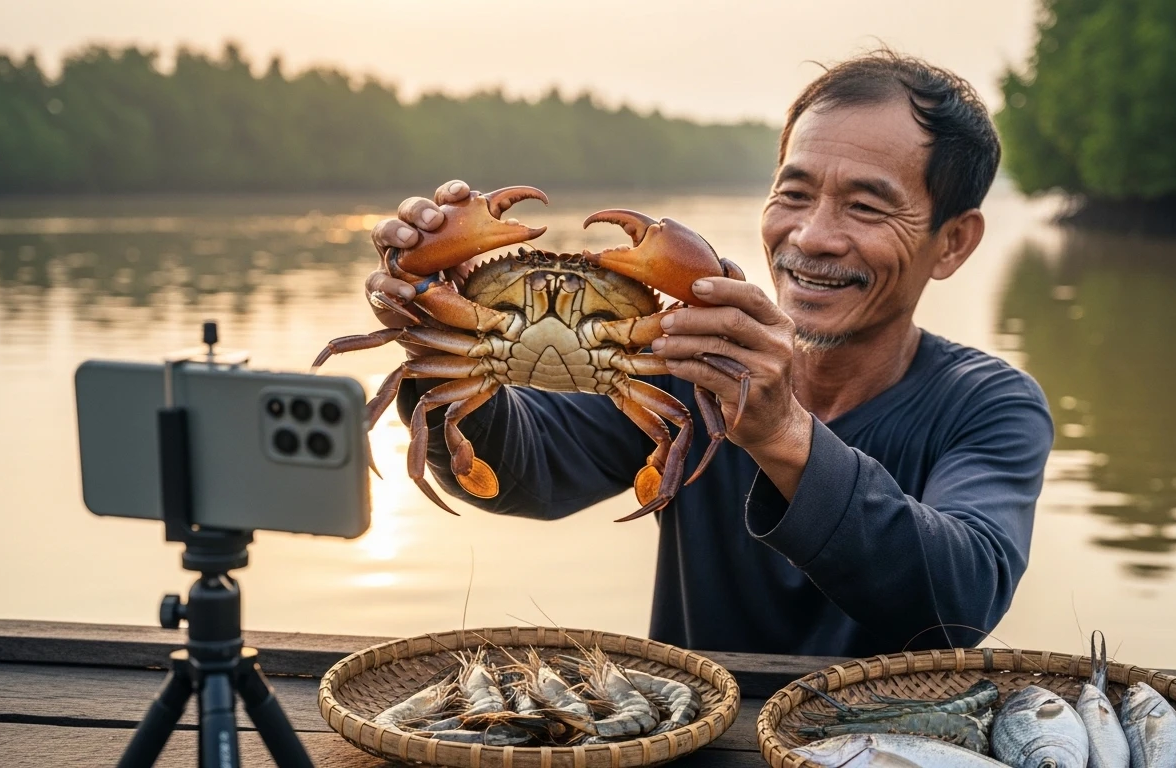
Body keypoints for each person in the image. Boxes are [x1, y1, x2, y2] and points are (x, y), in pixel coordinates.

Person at [361, 51, 1053, 657]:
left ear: (954, 242)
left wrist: (783, 435)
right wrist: (427, 326)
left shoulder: (988, 405)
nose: (811, 236)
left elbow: (957, 606)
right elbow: (527, 472)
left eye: (866, 208)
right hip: (700, 737)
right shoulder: (688, 364)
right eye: (794, 193)